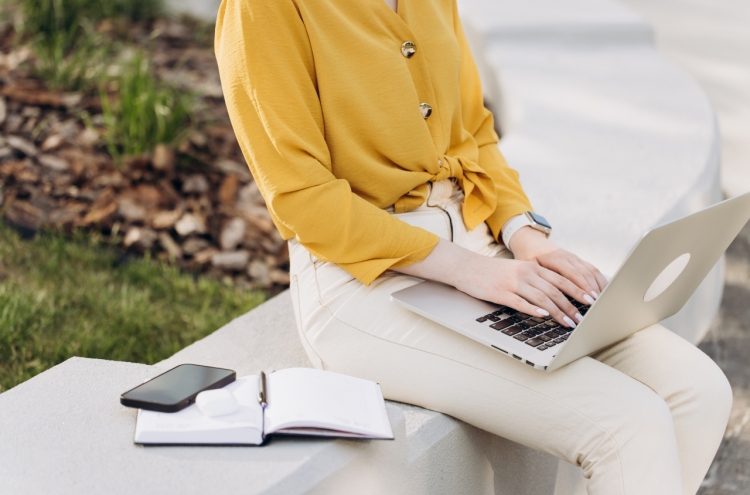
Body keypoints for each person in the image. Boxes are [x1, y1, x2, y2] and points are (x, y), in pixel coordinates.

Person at [214, 0, 732, 493]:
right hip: (363, 282)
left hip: (483, 248)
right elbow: (304, 200)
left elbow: (475, 134)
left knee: (699, 393)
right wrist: (471, 271)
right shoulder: (261, 8)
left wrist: (524, 237)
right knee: (628, 426)